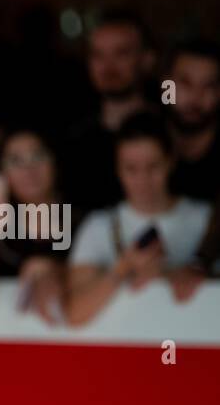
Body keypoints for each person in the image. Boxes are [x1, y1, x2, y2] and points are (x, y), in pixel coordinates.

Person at [65, 112, 212, 325]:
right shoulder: (99, 226)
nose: (143, 180)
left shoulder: (207, 219)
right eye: (131, 169)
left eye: (153, 167)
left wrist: (190, 273)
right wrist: (123, 268)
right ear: (117, 169)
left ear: (170, 161)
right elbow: (74, 313)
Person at [0, 128, 75, 320]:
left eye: (38, 156)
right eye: (15, 161)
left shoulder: (82, 222)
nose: (29, 170)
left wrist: (58, 270)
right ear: (1, 173)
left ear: (55, 163)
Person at [62, 11, 156, 211]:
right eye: (98, 55)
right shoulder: (73, 138)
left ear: (147, 59)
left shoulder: (168, 131)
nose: (108, 66)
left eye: (121, 53)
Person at [163, 37, 220, 201]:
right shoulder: (141, 137)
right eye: (185, 83)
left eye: (209, 85)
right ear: (166, 85)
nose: (196, 96)